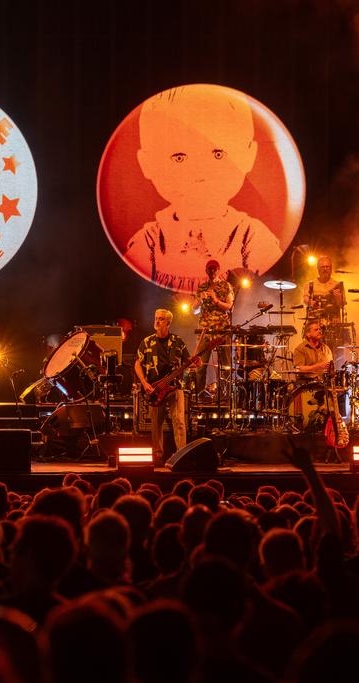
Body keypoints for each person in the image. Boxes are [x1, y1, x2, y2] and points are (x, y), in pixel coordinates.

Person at [122, 85, 283, 291]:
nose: (199, 173)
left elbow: (267, 282)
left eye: (218, 154)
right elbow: (136, 285)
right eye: (179, 158)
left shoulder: (250, 236)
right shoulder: (151, 240)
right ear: (147, 163)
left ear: (248, 155)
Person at [134, 309, 199, 463]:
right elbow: (137, 363)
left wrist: (196, 363)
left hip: (175, 387)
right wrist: (144, 383)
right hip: (155, 389)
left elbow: (188, 361)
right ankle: (157, 456)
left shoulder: (177, 341)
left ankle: (182, 455)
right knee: (156, 425)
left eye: (161, 319)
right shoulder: (147, 342)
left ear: (168, 323)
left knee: (180, 422)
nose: (157, 321)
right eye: (156, 318)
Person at [192, 259, 234, 395]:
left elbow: (229, 306)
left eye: (214, 269)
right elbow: (194, 310)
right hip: (205, 329)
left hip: (221, 329)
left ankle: (225, 395)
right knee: (200, 364)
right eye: (210, 269)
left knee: (225, 364)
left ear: (218, 270)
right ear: (206, 270)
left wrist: (216, 300)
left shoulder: (226, 285)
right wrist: (200, 301)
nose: (212, 271)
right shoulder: (202, 287)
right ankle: (199, 395)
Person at [289, 318, 337, 433]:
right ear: (308, 334)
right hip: (306, 386)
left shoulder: (326, 349)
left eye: (320, 329)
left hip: (323, 386)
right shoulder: (300, 349)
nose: (320, 331)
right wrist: (318, 366)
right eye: (316, 329)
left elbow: (330, 367)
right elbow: (298, 369)